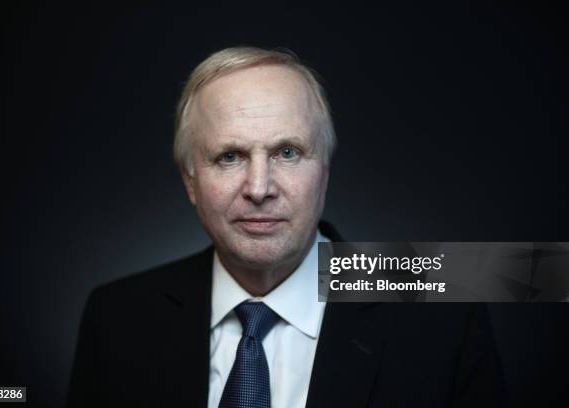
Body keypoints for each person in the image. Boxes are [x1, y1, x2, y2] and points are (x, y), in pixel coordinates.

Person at [67, 47, 505, 407]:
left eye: (288, 153)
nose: (259, 188)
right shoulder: (116, 317)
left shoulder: (446, 311)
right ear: (190, 182)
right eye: (229, 156)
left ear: (325, 171)